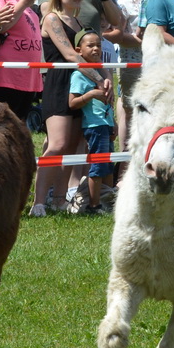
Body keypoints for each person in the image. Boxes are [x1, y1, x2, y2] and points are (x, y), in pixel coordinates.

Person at [33, 0, 87, 216]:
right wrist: (98, 77)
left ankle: (59, 199)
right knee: (57, 144)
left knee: (73, 144)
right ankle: (39, 202)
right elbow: (70, 55)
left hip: (77, 82)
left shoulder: (78, 22)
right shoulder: (51, 19)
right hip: (58, 82)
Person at [68, 31, 114, 214]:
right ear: (79, 50)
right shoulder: (79, 75)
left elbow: (109, 102)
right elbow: (72, 103)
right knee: (98, 165)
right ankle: (94, 205)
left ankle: (108, 199)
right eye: (90, 45)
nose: (96, 49)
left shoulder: (102, 73)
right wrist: (90, 95)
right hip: (94, 126)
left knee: (109, 163)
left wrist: (114, 123)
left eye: (99, 45)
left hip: (106, 124)